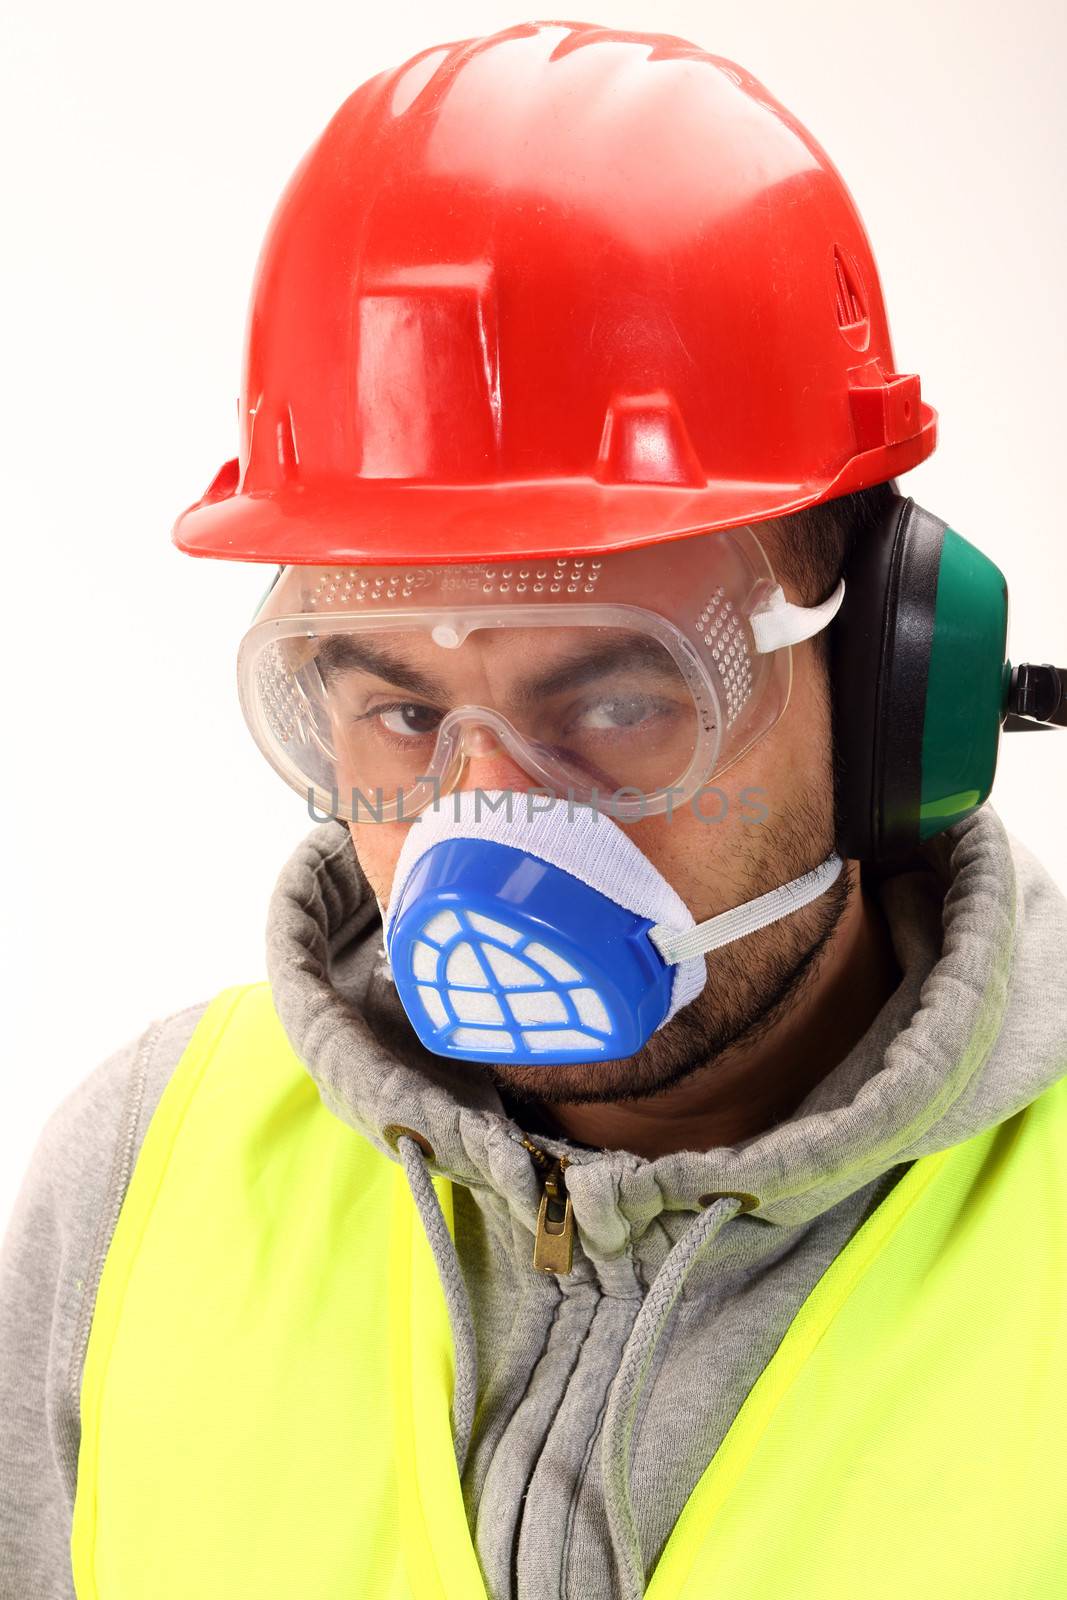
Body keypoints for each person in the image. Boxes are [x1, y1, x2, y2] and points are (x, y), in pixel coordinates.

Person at [3, 20, 1067, 1600]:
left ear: (897, 684)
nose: (484, 819)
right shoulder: (146, 1181)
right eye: (402, 712)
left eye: (622, 697)